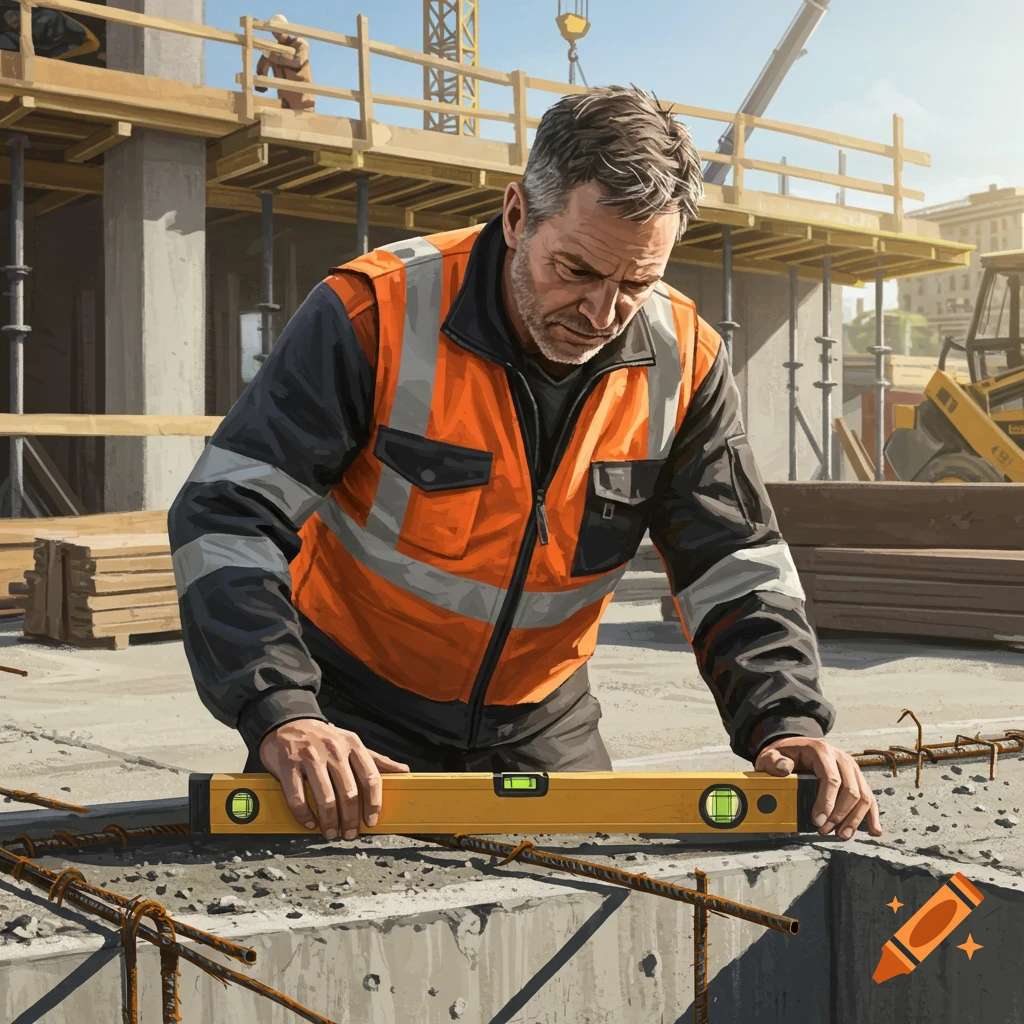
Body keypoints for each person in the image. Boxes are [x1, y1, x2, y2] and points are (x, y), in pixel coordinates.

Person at [170, 86, 882, 847]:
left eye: (637, 285)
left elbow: (732, 560)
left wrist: (787, 719)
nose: (602, 314)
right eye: (575, 269)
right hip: (352, 718)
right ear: (516, 215)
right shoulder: (372, 313)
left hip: (543, 719)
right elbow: (227, 514)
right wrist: (284, 709)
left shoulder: (686, 361)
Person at [255, 13, 314, 113]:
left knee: (303, 124)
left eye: (279, 31)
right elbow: (261, 69)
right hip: (285, 100)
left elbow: (297, 62)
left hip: (302, 100)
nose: (276, 34)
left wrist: (272, 56)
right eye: (273, 32)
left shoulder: (300, 44)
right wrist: (265, 57)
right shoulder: (273, 50)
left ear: (286, 29)